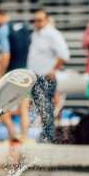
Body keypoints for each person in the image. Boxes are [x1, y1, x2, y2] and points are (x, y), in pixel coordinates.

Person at [23, 9, 69, 143]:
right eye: (35, 20)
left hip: (45, 77)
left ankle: (48, 137)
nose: (37, 23)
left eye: (40, 20)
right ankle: (46, 135)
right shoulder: (36, 34)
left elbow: (64, 55)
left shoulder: (52, 35)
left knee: (46, 108)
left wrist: (53, 70)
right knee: (41, 108)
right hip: (36, 77)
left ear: (47, 20)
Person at [0, 6, 31, 137]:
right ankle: (24, 136)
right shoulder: (23, 25)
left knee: (1, 105)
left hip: (12, 72)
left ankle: (12, 134)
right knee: (24, 107)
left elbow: (5, 55)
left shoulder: (2, 29)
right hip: (25, 71)